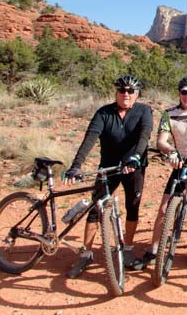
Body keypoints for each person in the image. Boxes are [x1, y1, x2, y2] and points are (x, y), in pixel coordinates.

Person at [63, 75, 153, 279]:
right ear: (116, 92)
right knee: (96, 208)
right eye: (122, 90)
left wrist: (136, 157)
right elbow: (90, 138)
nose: (126, 94)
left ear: (137, 94)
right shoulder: (104, 112)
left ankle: (128, 248)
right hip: (108, 168)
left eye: (131, 91)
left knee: (133, 205)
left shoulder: (143, 111)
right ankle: (86, 254)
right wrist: (76, 166)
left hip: (133, 167)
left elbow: (144, 136)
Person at [133, 76, 187, 270]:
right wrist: (171, 151)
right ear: (179, 94)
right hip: (181, 163)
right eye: (184, 92)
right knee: (165, 209)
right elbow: (161, 141)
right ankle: (154, 250)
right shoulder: (169, 114)